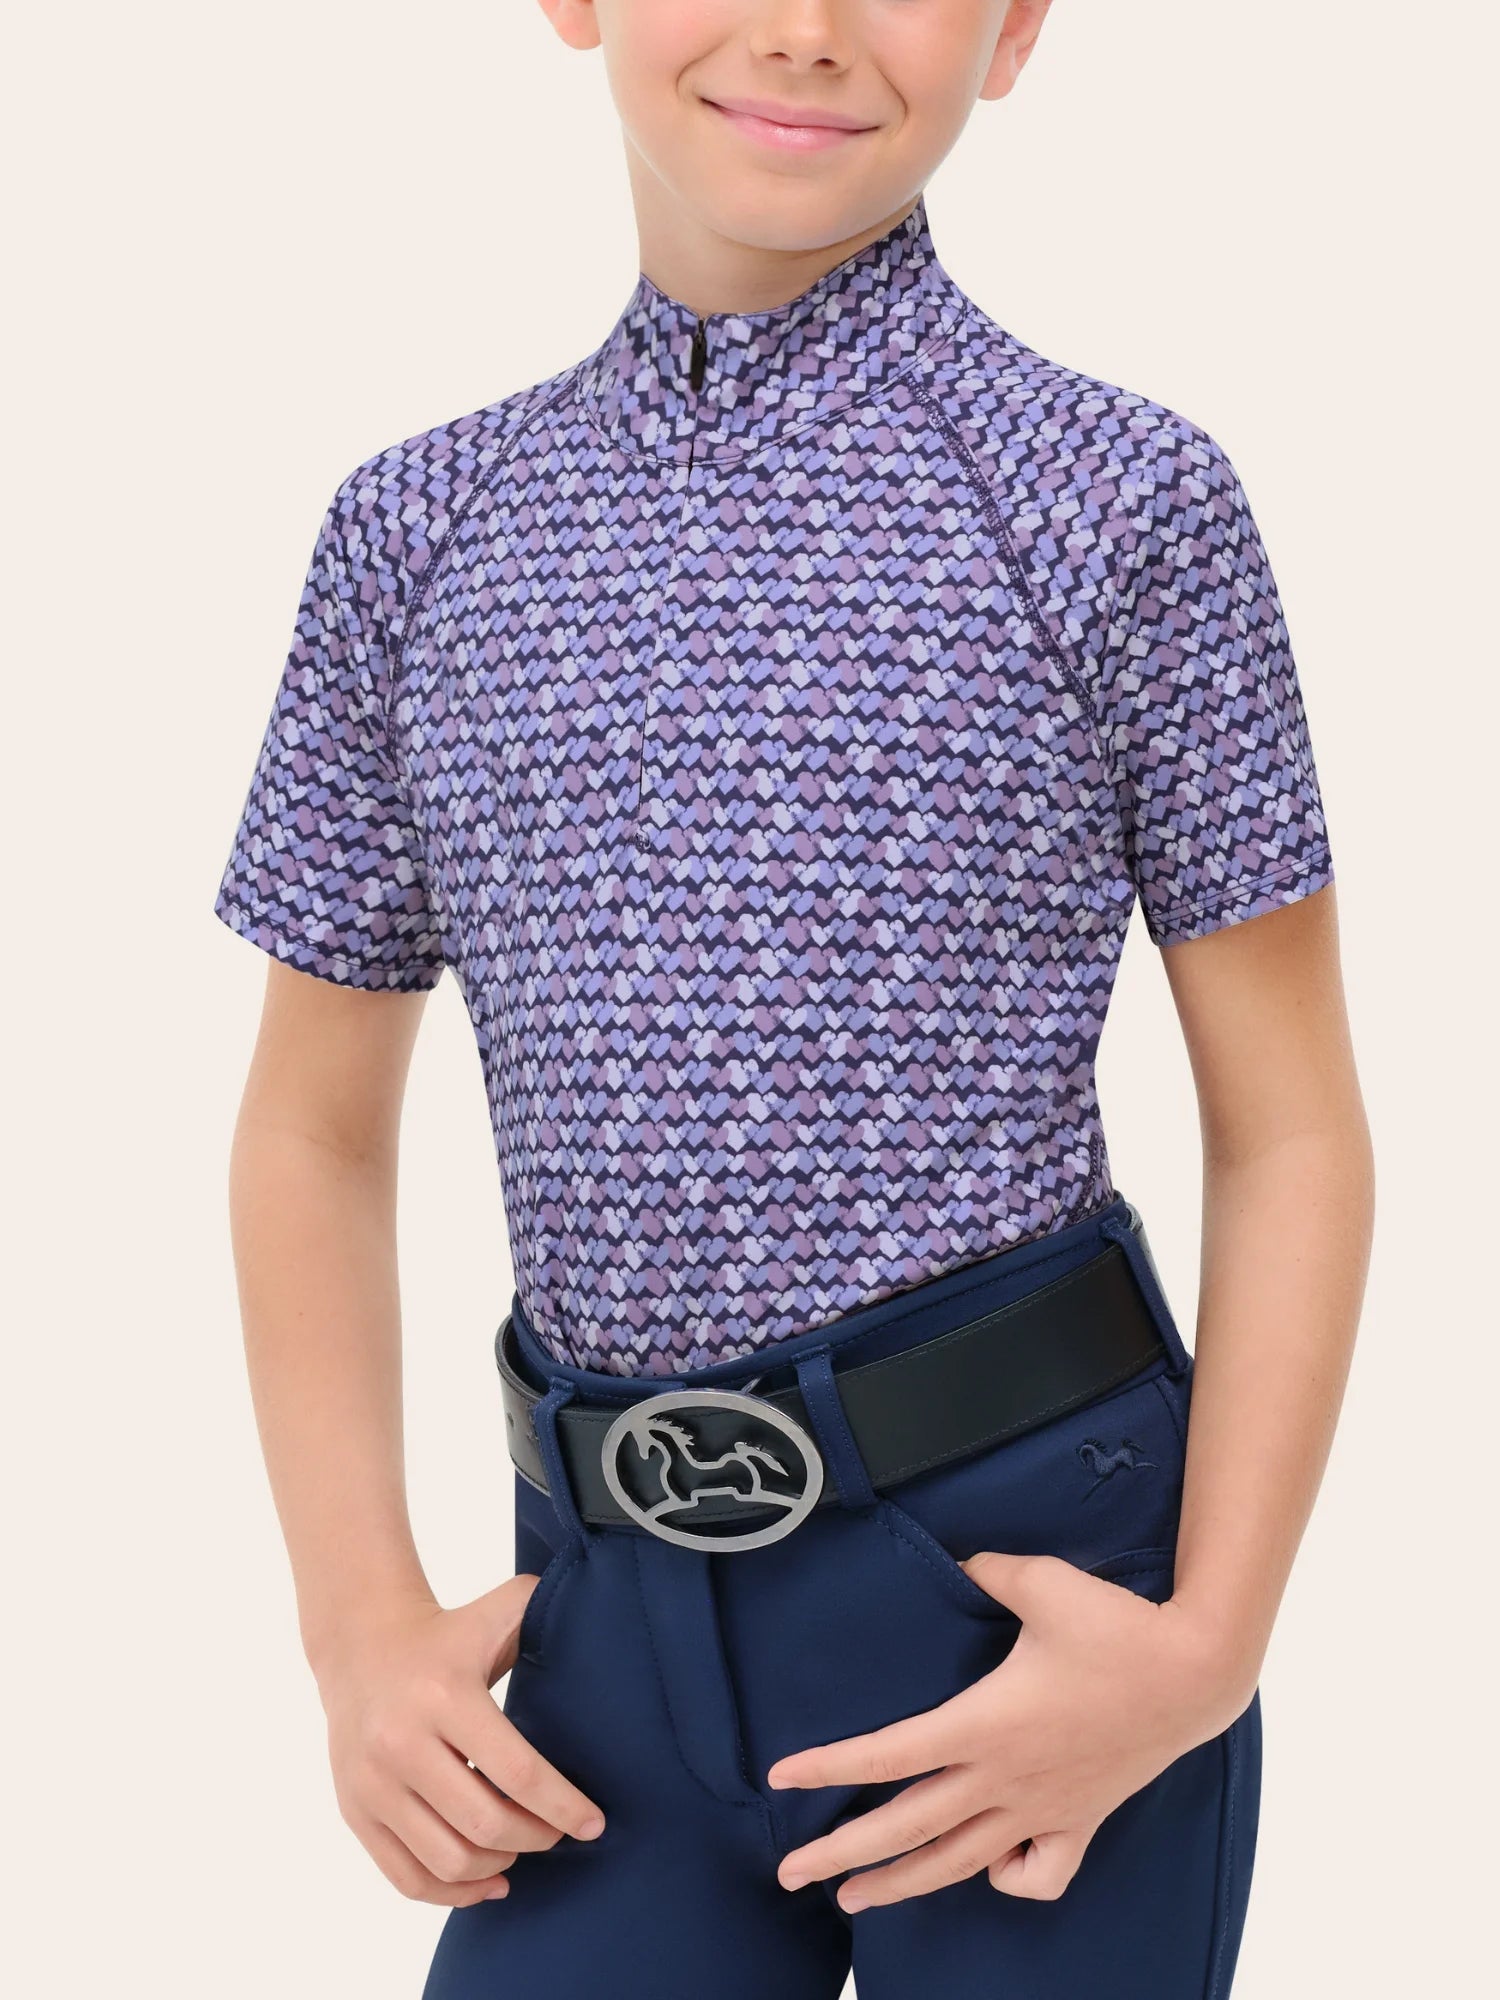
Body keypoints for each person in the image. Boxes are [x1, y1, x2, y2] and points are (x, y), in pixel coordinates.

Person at [212, 3, 1374, 1995]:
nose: (810, 29)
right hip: (594, 1645)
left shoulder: (1124, 503)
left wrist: (1201, 1649)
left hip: (1032, 1616)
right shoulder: (416, 534)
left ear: (1015, 27)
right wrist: (358, 1626)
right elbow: (309, 1126)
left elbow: (1291, 1127)